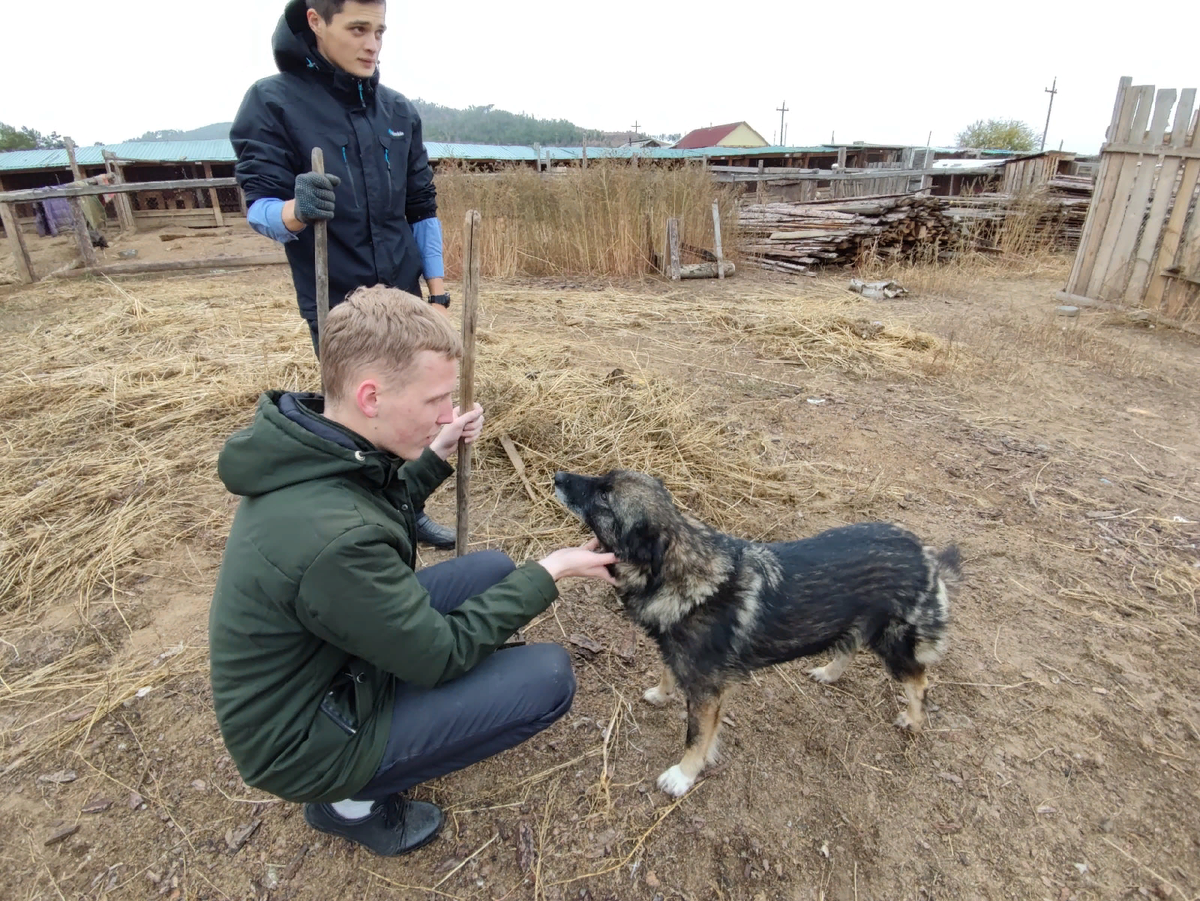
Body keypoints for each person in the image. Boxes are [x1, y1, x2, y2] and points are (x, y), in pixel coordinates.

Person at [209, 286, 617, 857]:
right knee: (548, 676)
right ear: (371, 396)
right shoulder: (335, 541)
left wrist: (437, 447)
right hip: (304, 737)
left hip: (330, 658)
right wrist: (553, 570)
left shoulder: (319, 447)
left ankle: (394, 724)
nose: (448, 414)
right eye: (436, 402)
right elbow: (439, 655)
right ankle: (348, 804)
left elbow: (372, 500)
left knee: (497, 570)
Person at [230, 0, 456, 548]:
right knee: (360, 412)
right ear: (315, 21)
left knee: (410, 409)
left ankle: (408, 505)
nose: (372, 44)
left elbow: (421, 206)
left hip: (403, 294)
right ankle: (362, 519)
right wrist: (296, 210)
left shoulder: (398, 112)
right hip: (337, 298)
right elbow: (258, 205)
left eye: (380, 31)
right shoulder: (273, 102)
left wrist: (438, 288)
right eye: (358, 29)